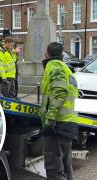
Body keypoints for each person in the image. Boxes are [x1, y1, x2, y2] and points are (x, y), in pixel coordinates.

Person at [41, 42, 78, 180]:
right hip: (69, 125)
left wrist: (50, 121)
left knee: (54, 170)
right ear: (63, 55)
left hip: (58, 126)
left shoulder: (54, 65)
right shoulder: (68, 70)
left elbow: (60, 92)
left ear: (47, 54)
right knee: (66, 168)